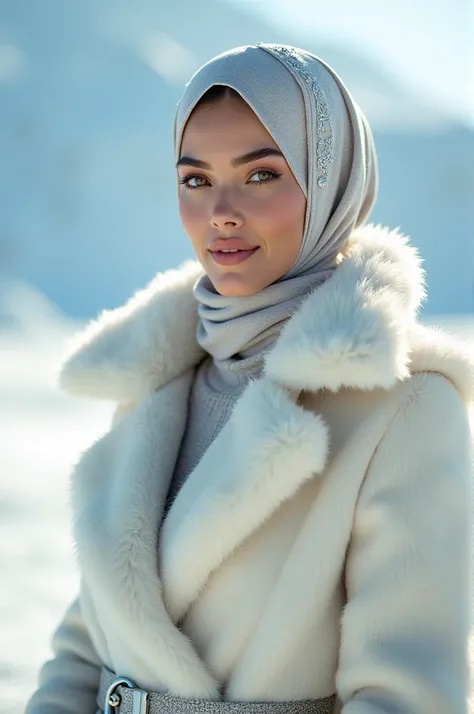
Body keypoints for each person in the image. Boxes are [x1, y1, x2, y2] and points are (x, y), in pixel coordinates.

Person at [25, 43, 473, 714]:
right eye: (196, 178)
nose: (220, 212)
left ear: (329, 183)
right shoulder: (155, 381)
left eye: (261, 175)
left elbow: (406, 696)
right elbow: (87, 645)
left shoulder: (404, 407)